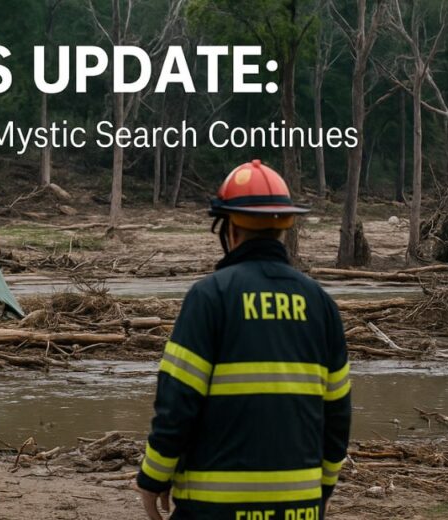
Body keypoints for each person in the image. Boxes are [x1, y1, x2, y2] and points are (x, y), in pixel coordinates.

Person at [136, 160, 352, 520]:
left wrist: (152, 478)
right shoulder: (321, 304)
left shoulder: (209, 298)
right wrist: (323, 490)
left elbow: (177, 404)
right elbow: (338, 415)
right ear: (284, 228)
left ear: (230, 229)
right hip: (299, 507)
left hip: (213, 507)